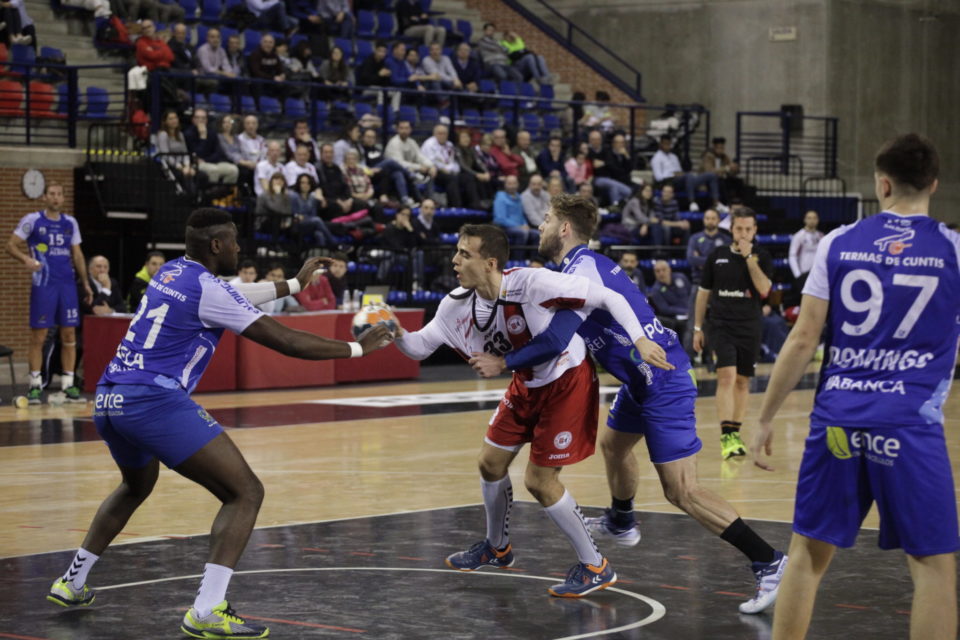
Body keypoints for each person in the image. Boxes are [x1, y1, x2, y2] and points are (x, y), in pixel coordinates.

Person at [44, 209, 393, 638]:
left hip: (110, 397)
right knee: (245, 492)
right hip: (153, 400)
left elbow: (236, 290)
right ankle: (207, 609)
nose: (239, 248)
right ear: (215, 246)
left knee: (135, 486)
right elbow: (284, 339)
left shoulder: (173, 271)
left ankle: (72, 582)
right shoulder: (209, 289)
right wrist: (356, 349)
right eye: (233, 242)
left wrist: (296, 284)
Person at [531, 194, 788, 614]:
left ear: (564, 228)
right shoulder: (576, 268)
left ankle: (769, 561)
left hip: (663, 379)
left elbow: (555, 332)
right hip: (640, 381)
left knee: (681, 490)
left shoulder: (582, 270)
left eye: (545, 220)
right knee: (614, 446)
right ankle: (621, 519)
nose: (539, 227)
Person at [754, 133, 958, 639]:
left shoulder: (837, 242)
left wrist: (761, 419)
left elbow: (803, 339)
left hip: (838, 422)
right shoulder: (953, 249)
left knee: (807, 554)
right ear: (932, 184)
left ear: (882, 183)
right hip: (909, 425)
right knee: (934, 567)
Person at [393, 223, 661, 598]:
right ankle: (497, 548)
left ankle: (596, 566)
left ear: (490, 263)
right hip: (526, 383)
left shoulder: (533, 283)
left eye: (464, 254)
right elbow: (420, 347)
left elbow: (609, 299)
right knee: (489, 463)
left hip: (567, 382)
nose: (454, 260)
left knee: (540, 481)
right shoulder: (454, 304)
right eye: (456, 251)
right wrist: (395, 334)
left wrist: (640, 339)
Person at [693, 208, 773, 459]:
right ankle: (727, 436)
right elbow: (703, 293)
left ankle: (735, 433)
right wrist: (697, 328)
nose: (743, 233)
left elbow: (764, 289)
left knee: (742, 381)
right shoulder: (717, 255)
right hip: (720, 325)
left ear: (755, 230)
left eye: (748, 229)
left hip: (749, 326)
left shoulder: (762, 256)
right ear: (732, 229)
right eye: (739, 228)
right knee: (726, 376)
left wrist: (749, 258)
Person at [6, 182, 92, 404]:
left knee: (69, 335)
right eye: (52, 194)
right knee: (39, 336)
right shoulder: (32, 220)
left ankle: (68, 385)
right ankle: (35, 385)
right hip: (44, 284)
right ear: (44, 197)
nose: (55, 198)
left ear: (63, 198)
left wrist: (86, 283)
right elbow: (11, 245)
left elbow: (78, 255)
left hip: (67, 285)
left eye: (59, 194)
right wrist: (25, 259)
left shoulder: (70, 223)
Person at [651, 135, 719, 205]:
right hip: (668, 182)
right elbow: (658, 177)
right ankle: (692, 202)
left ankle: (716, 203)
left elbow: (679, 171)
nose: (668, 146)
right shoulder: (657, 158)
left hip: (681, 180)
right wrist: (672, 174)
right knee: (688, 176)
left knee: (711, 175)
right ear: (661, 144)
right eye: (665, 144)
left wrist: (680, 174)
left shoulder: (674, 157)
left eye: (669, 144)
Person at [421, 124, 477, 209]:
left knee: (467, 178)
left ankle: (474, 205)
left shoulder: (449, 144)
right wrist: (444, 169)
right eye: (440, 133)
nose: (442, 136)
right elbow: (431, 162)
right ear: (434, 134)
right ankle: (456, 206)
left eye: (444, 133)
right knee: (451, 178)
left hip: (449, 171)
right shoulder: (429, 144)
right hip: (433, 172)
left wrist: (454, 170)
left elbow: (453, 161)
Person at [360, 127, 417, 207]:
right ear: (363, 137)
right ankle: (408, 173)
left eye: (373, 137)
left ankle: (405, 199)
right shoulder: (361, 150)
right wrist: (369, 170)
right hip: (370, 173)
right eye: (368, 137)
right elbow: (361, 166)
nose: (370, 139)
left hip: (382, 173)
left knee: (398, 173)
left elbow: (383, 163)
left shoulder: (377, 150)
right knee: (390, 161)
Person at [184, 108, 239, 186]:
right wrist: (202, 137)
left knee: (233, 170)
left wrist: (206, 160)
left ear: (206, 120)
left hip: (210, 161)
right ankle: (211, 196)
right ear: (193, 119)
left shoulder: (212, 132)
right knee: (213, 170)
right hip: (195, 164)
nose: (200, 120)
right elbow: (196, 154)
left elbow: (218, 152)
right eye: (198, 118)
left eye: (203, 118)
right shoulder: (188, 134)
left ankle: (224, 193)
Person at [385, 120, 435, 190]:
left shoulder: (411, 142)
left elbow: (419, 157)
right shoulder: (394, 143)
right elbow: (399, 163)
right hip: (396, 172)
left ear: (410, 129)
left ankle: (429, 199)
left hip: (412, 170)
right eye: (401, 128)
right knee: (406, 174)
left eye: (406, 128)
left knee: (430, 172)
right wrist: (419, 167)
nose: (404, 131)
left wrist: (431, 165)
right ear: (397, 129)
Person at [289, 173, 336, 246]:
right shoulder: (294, 196)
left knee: (319, 234)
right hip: (297, 225)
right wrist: (304, 217)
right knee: (317, 220)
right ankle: (335, 244)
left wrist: (305, 217)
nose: (305, 185)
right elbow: (294, 215)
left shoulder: (312, 198)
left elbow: (313, 215)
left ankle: (321, 256)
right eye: (303, 183)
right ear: (299, 184)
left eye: (308, 183)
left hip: (310, 224)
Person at [493, 175, 538, 252]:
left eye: (514, 183)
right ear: (505, 185)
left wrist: (525, 224)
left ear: (518, 184)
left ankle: (533, 260)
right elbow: (499, 219)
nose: (512, 186)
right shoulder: (500, 197)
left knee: (536, 234)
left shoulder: (519, 197)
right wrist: (519, 226)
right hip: (505, 228)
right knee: (522, 233)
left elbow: (521, 215)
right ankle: (518, 259)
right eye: (509, 183)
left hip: (520, 227)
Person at [586, 131, 631, 206]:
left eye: (598, 139)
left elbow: (612, 165)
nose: (596, 141)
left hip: (609, 178)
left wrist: (604, 163)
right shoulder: (588, 151)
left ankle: (616, 207)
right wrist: (606, 163)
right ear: (590, 140)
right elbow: (594, 165)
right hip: (597, 179)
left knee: (619, 189)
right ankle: (615, 206)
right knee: (624, 190)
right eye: (593, 139)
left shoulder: (606, 150)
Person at [648, 260, 690, 338]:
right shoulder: (655, 290)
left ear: (669, 269)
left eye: (663, 269)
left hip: (690, 313)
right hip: (675, 318)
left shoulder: (681, 277)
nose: (661, 273)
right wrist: (685, 312)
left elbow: (690, 294)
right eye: (657, 271)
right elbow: (665, 309)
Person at [455, 129, 493, 205]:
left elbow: (479, 162)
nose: (466, 139)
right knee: (471, 178)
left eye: (468, 137)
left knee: (487, 177)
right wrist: (476, 174)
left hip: (470, 174)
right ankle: (475, 203)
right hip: (459, 175)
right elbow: (463, 166)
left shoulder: (472, 150)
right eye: (463, 137)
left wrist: (486, 172)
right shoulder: (456, 149)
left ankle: (489, 202)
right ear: (458, 139)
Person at [217, 115, 256, 189]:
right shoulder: (219, 138)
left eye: (230, 122)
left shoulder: (236, 138)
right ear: (221, 124)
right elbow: (227, 153)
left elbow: (243, 151)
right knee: (243, 171)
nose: (227, 124)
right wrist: (242, 162)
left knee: (253, 169)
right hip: (228, 161)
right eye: (225, 122)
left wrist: (248, 161)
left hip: (241, 161)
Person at [701, 136, 744, 202]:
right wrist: (726, 168)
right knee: (721, 183)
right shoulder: (708, 156)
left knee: (738, 181)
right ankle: (724, 203)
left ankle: (738, 203)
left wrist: (735, 168)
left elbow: (730, 167)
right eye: (719, 148)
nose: (721, 150)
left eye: (722, 148)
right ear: (714, 148)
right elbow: (709, 171)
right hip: (708, 181)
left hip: (721, 179)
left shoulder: (724, 157)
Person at [788, 209, 822, 280]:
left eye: (814, 218)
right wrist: (798, 274)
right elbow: (792, 256)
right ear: (804, 220)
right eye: (809, 218)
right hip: (803, 274)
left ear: (818, 220)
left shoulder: (821, 236)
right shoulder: (799, 236)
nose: (812, 220)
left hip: (818, 274)